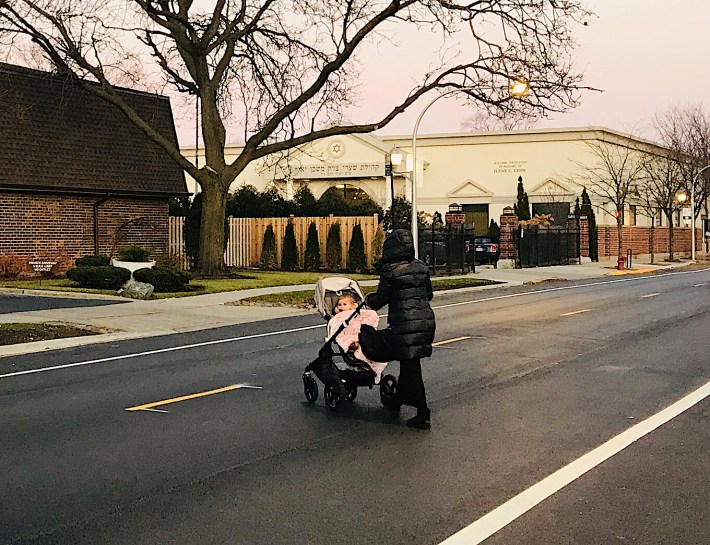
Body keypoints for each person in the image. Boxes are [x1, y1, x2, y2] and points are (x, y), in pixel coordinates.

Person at [362, 228, 436, 430]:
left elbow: (381, 298)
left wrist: (368, 300)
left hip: (404, 324)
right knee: (410, 365)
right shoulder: (421, 267)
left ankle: (422, 411)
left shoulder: (391, 269)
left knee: (408, 365)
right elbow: (428, 295)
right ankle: (402, 399)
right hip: (425, 322)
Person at [326, 293, 388, 383]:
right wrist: (336, 311)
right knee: (358, 346)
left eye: (344, 304)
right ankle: (359, 350)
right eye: (339, 305)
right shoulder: (339, 317)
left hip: (359, 334)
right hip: (349, 337)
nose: (341, 307)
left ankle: (371, 362)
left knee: (373, 345)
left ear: (353, 306)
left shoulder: (357, 313)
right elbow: (336, 324)